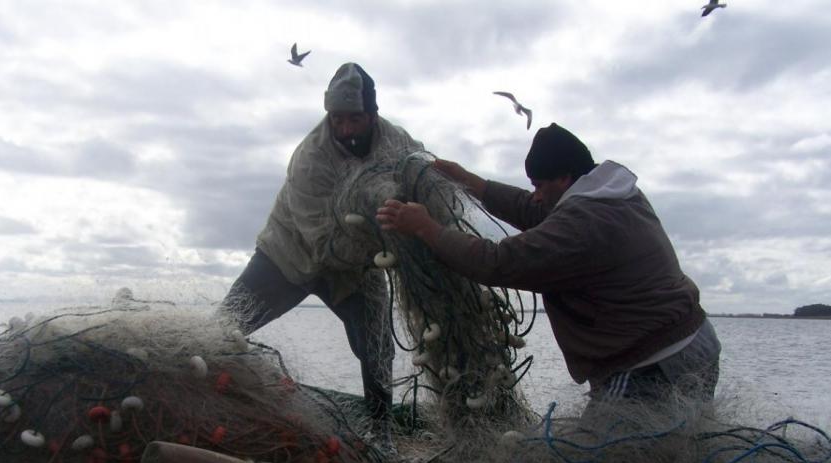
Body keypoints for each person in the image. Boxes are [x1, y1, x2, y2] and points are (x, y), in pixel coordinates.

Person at [376, 123, 720, 407]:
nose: (536, 194)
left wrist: (426, 228)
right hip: (693, 342)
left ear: (566, 178)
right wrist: (472, 182)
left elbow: (498, 263)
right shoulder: (613, 194)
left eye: (540, 185)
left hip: (651, 364)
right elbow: (538, 211)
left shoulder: (585, 222)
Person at [221, 63, 423, 441]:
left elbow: (423, 174)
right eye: (337, 119)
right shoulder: (309, 160)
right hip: (289, 256)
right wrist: (387, 242)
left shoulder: (396, 143)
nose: (345, 129)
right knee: (221, 331)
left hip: (356, 269)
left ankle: (382, 436)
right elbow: (324, 244)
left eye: (355, 119)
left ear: (373, 115)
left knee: (378, 349)